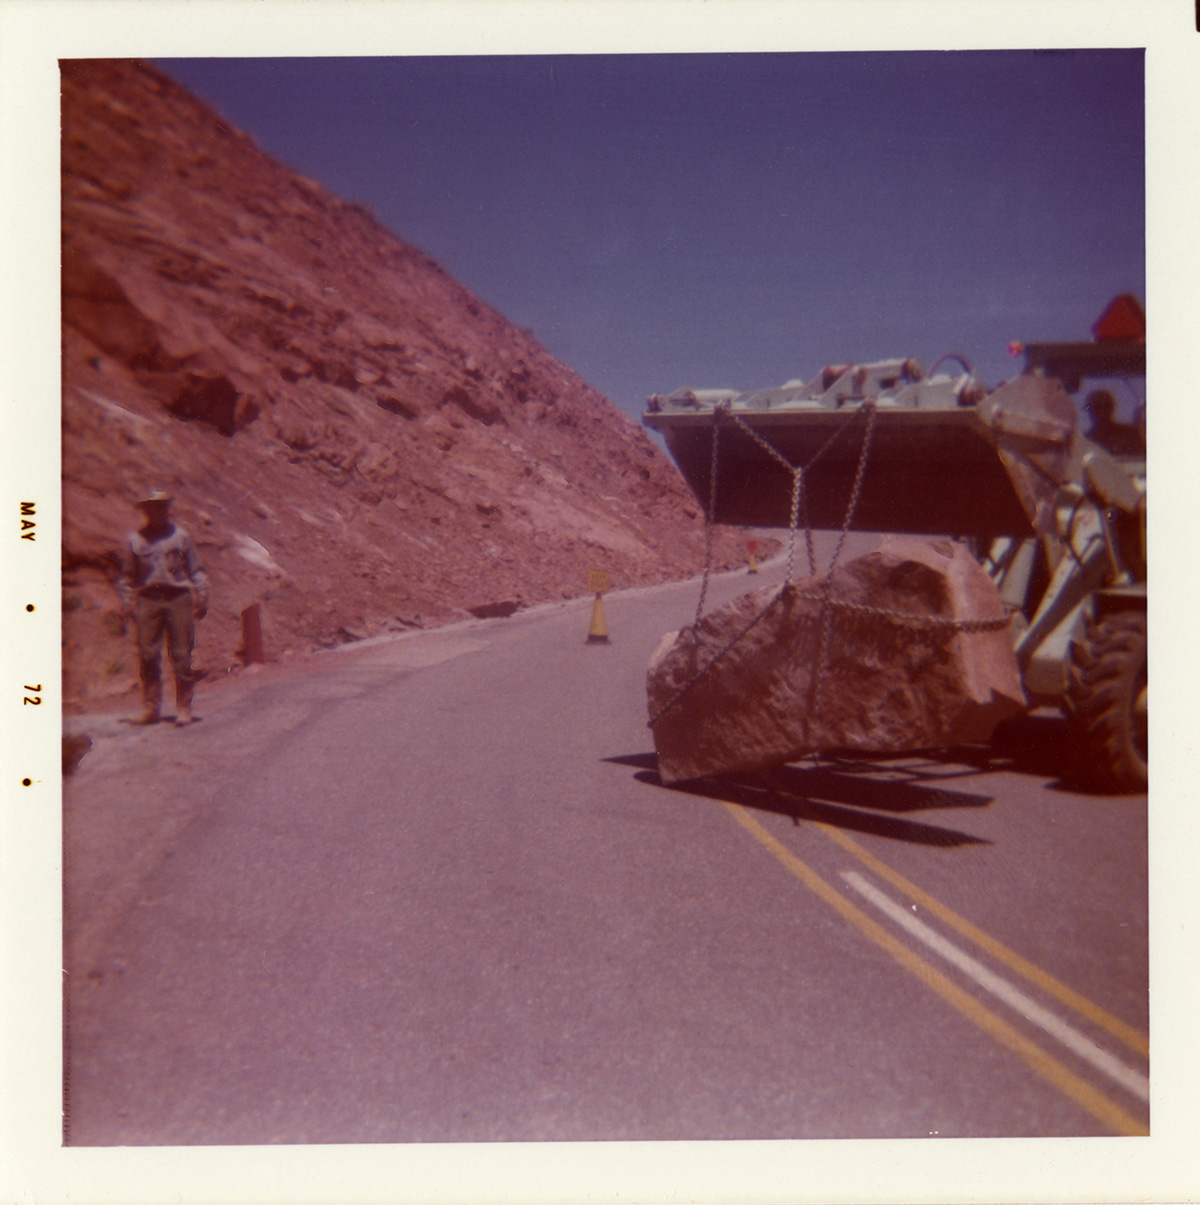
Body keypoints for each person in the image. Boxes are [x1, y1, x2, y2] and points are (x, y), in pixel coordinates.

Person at [117, 490, 210, 725]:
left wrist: (202, 595)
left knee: (181, 654)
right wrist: (128, 602)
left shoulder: (180, 537)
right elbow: (128, 576)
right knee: (147, 654)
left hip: (178, 597)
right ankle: (151, 707)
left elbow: (196, 569)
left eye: (160, 506)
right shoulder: (137, 540)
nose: (156, 511)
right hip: (149, 599)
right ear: (145, 511)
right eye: (151, 507)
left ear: (167, 509)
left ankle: (183, 707)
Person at [1083, 389, 1145, 458]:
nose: (1097, 413)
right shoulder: (1087, 439)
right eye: (1093, 409)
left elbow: (1139, 460)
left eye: (1102, 407)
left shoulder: (1129, 433)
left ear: (1110, 408)